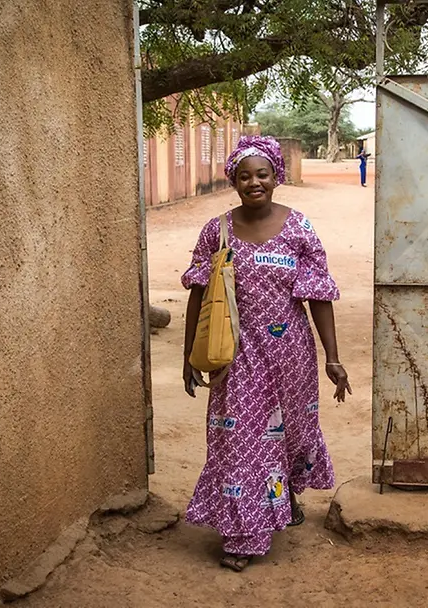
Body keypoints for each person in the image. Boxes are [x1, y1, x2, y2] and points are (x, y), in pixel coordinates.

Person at [181, 135, 351, 573]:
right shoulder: (216, 231)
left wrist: (333, 358)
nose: (253, 182)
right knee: (239, 443)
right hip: (236, 357)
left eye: (262, 174)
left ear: (277, 176)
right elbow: (199, 297)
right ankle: (244, 535)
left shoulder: (299, 229)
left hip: (292, 355)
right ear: (234, 182)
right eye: (244, 176)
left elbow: (319, 297)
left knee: (291, 434)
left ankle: (282, 498)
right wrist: (189, 356)